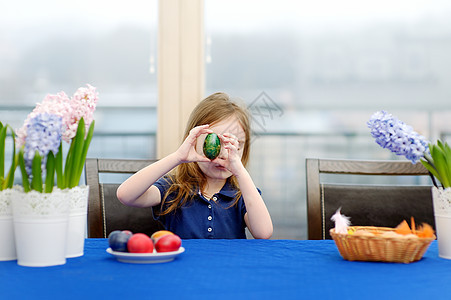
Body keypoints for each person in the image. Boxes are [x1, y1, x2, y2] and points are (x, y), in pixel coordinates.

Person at [116, 92, 273, 239]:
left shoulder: (242, 195)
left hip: (227, 267)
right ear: (192, 142)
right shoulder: (173, 189)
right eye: (215, 142)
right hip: (183, 268)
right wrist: (177, 157)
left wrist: (240, 171)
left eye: (235, 145)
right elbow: (126, 195)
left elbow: (263, 232)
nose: (225, 154)